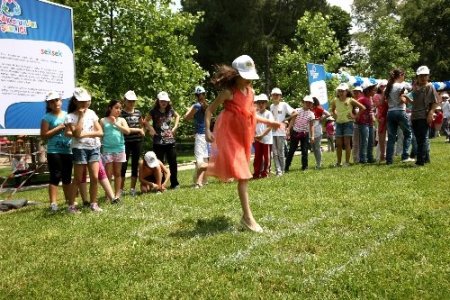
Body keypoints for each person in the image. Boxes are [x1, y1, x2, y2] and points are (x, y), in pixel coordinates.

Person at [205, 55, 280, 233]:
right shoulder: (228, 93)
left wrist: (269, 122)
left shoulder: (251, 92)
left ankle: (203, 166)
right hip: (229, 134)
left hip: (244, 135)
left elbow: (250, 114)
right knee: (244, 175)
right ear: (235, 74)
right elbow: (209, 110)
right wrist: (208, 129)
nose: (248, 80)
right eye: (244, 76)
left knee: (239, 172)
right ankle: (247, 218)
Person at [65, 87, 103, 213]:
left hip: (94, 148)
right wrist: (81, 116)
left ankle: (94, 203)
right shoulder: (70, 116)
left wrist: (84, 134)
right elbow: (76, 134)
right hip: (79, 149)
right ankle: (71, 206)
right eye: (82, 101)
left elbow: (100, 132)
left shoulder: (92, 113)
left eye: (86, 101)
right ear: (75, 101)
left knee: (94, 177)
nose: (85, 104)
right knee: (77, 178)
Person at [40, 91, 73, 211]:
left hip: (68, 151)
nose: (55, 103)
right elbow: (43, 135)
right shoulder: (46, 117)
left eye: (57, 100)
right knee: (55, 176)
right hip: (54, 151)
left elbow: (72, 131)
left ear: (61, 101)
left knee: (67, 177)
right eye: (52, 102)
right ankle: (53, 203)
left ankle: (69, 201)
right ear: (49, 104)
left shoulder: (68, 115)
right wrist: (59, 127)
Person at [145, 91, 180, 189]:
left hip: (170, 141)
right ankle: (161, 184)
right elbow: (145, 121)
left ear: (168, 102)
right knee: (159, 164)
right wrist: (151, 129)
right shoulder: (153, 111)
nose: (164, 103)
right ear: (158, 101)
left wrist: (175, 126)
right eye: (161, 101)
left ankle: (174, 183)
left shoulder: (171, 110)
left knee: (173, 163)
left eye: (165, 101)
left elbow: (177, 116)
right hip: (158, 142)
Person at [100, 100, 130, 202]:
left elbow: (127, 131)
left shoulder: (121, 120)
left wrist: (115, 124)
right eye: (116, 108)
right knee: (108, 174)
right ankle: (109, 195)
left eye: (120, 108)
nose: (118, 110)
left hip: (119, 149)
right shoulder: (103, 120)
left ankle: (117, 195)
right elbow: (100, 135)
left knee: (117, 173)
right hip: (107, 150)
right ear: (110, 108)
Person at [331, 83, 366, 167]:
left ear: (347, 91)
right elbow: (333, 109)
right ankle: (339, 162)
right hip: (339, 123)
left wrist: (355, 116)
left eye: (342, 91)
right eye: (339, 91)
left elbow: (363, 108)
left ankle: (346, 162)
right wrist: (336, 116)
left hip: (348, 123)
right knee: (338, 144)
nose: (341, 92)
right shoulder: (335, 100)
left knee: (347, 143)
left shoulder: (350, 100)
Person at [410, 65, 438, 166]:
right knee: (418, 139)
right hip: (415, 116)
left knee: (422, 139)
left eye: (425, 75)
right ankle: (426, 158)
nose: (423, 77)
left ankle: (420, 161)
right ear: (417, 76)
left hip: (423, 116)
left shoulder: (429, 86)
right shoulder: (416, 87)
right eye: (421, 76)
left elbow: (435, 102)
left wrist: (430, 113)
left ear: (428, 76)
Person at [384, 68, 414, 165]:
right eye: (403, 75)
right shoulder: (402, 85)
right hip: (400, 111)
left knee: (391, 137)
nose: (404, 77)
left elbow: (385, 101)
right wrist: (407, 98)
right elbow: (403, 100)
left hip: (390, 113)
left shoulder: (387, 87)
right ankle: (405, 156)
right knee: (408, 133)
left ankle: (389, 160)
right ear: (400, 75)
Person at [120, 90, 145, 197]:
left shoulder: (138, 112)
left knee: (135, 165)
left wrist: (142, 130)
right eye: (129, 101)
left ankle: (132, 188)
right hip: (125, 142)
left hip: (137, 142)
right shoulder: (121, 113)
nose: (131, 103)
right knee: (123, 166)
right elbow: (125, 129)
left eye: (133, 101)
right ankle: (120, 189)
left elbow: (142, 124)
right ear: (124, 101)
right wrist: (138, 130)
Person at [184, 86, 209, 188]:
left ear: (196, 96)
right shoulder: (207, 105)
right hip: (206, 134)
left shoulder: (197, 105)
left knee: (199, 160)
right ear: (204, 94)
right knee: (205, 158)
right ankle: (204, 180)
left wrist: (190, 108)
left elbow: (186, 117)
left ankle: (198, 183)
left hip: (200, 135)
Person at [269, 87, 296, 176]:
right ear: (271, 96)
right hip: (272, 131)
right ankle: (278, 171)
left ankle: (283, 170)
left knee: (280, 151)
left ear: (280, 96)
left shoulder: (284, 104)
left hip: (281, 131)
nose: (275, 96)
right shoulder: (271, 106)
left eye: (277, 95)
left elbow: (295, 113)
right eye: (274, 95)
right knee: (275, 152)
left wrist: (287, 124)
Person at [285, 95, 315, 172]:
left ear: (311, 104)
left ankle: (305, 167)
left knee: (304, 150)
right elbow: (292, 121)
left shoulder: (311, 114)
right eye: (306, 102)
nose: (308, 104)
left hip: (304, 133)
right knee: (291, 150)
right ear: (303, 102)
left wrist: (312, 136)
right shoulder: (297, 110)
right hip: (295, 132)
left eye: (310, 103)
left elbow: (311, 126)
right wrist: (288, 129)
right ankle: (286, 167)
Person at [253, 93, 274, 178]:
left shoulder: (268, 114)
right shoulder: (255, 114)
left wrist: (262, 135)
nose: (261, 105)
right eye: (259, 103)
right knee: (257, 157)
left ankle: (265, 173)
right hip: (257, 139)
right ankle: (256, 173)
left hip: (267, 140)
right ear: (256, 104)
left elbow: (270, 126)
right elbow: (252, 126)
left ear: (266, 104)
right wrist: (255, 135)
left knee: (266, 157)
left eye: (263, 103)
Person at [357, 82, 377, 163]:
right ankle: (363, 158)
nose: (374, 91)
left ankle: (370, 157)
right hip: (363, 122)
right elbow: (352, 105)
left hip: (370, 123)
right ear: (368, 90)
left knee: (371, 141)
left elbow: (371, 110)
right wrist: (355, 116)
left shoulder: (370, 99)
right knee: (364, 140)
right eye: (373, 90)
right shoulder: (361, 99)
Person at [311, 96, 331, 169]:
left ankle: (319, 163)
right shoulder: (309, 109)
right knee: (313, 148)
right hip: (310, 130)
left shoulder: (318, 108)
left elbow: (328, 114)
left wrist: (321, 118)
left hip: (318, 129)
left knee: (317, 147)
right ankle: (318, 162)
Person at [373, 79, 388, 162]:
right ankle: (383, 154)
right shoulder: (376, 96)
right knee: (381, 138)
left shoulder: (390, 94)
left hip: (389, 116)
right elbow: (378, 105)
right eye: (382, 86)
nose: (383, 87)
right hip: (381, 117)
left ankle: (389, 154)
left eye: (385, 86)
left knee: (391, 137)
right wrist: (384, 97)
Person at [351, 86, 363, 164]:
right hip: (354, 124)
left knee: (363, 142)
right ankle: (356, 159)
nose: (356, 93)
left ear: (361, 93)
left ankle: (362, 158)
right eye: (354, 91)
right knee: (355, 142)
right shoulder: (352, 102)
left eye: (358, 91)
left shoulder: (363, 101)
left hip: (363, 124)